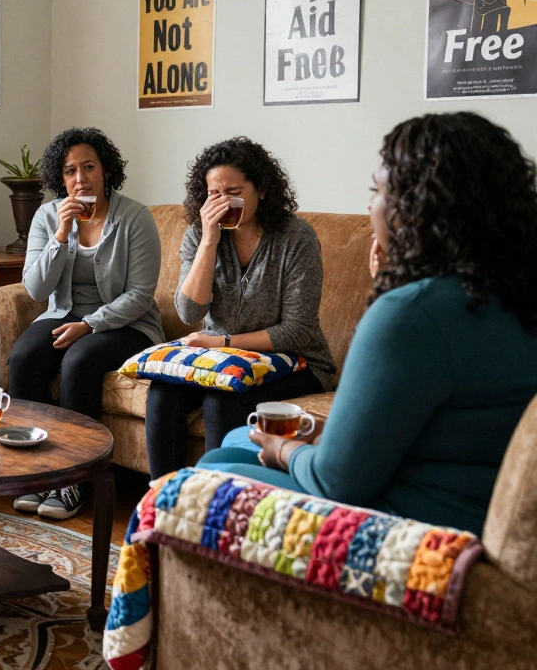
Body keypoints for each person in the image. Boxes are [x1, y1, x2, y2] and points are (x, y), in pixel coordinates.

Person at [198, 112, 537, 536]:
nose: (369, 205)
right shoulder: (509, 293)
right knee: (234, 441)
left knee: (211, 470)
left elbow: (336, 481)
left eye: (377, 190)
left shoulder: (412, 313)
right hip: (470, 502)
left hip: (415, 524)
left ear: (415, 212)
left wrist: (284, 449)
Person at [144, 137, 336, 480]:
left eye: (233, 192)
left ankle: (218, 506)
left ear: (261, 189)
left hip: (300, 361)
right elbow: (189, 311)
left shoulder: (295, 237)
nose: (223, 203)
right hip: (224, 362)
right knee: (163, 394)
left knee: (223, 401)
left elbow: (296, 331)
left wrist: (222, 343)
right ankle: (163, 505)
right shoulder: (200, 234)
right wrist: (208, 240)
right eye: (214, 194)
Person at [8, 127, 164, 519]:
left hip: (127, 324)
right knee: (23, 358)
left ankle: (74, 478)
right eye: (70, 171)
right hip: (64, 314)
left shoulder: (134, 217)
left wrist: (90, 325)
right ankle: (42, 471)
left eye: (89, 167)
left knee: (79, 360)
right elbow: (35, 288)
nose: (81, 178)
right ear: (60, 179)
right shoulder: (48, 215)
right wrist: (61, 234)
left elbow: (140, 295)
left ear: (105, 170)